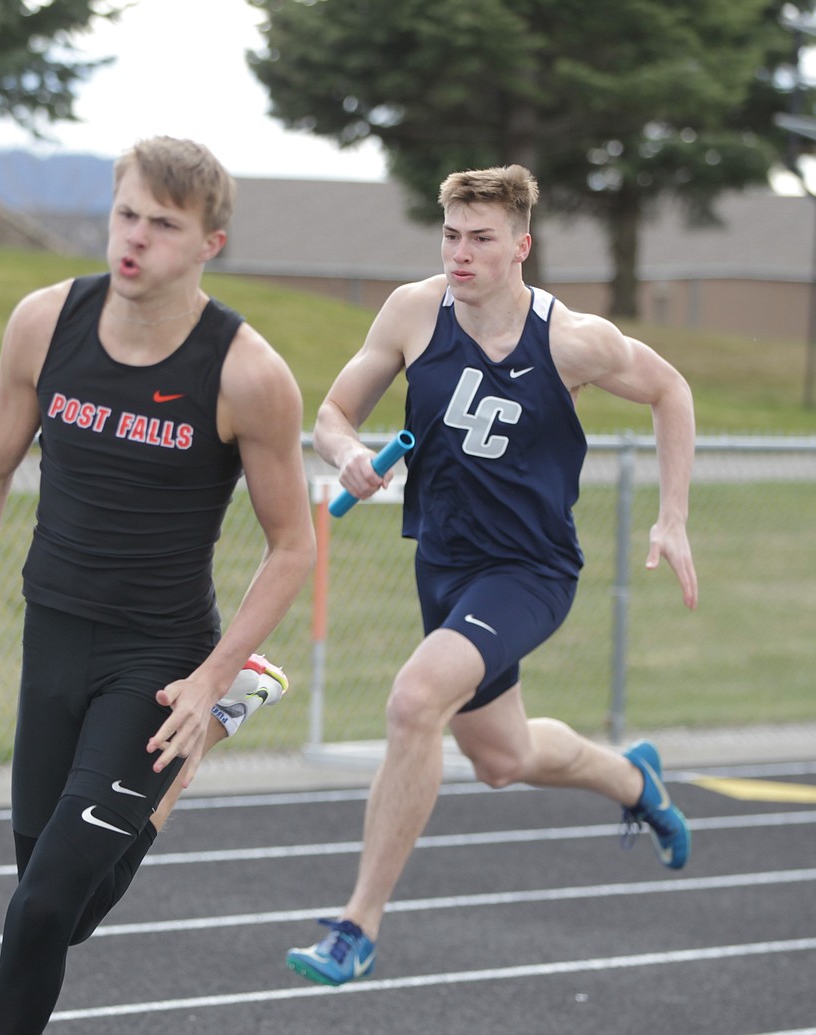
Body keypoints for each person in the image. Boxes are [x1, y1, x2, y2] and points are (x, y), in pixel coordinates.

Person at [0, 136, 316, 1033]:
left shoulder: (247, 373)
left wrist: (209, 678)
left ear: (210, 243)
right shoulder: (45, 323)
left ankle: (221, 704)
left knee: (44, 909)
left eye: (163, 226)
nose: (134, 240)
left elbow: (293, 546)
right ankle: (178, 772)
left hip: (160, 660)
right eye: (126, 214)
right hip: (51, 639)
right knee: (58, 910)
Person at [286, 165, 698, 987]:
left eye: (480, 239)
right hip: (443, 565)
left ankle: (356, 925)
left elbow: (670, 389)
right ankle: (632, 777)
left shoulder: (575, 340)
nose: (461, 254)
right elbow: (332, 416)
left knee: (413, 698)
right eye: (450, 236)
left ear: (521, 246)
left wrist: (672, 515)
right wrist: (350, 457)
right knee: (501, 757)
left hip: (529, 569)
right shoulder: (412, 311)